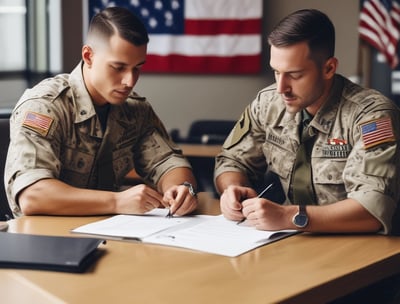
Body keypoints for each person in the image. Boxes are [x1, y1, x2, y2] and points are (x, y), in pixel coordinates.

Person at [215, 9, 400, 235]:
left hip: (364, 248)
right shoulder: (268, 103)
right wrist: (232, 189)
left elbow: (371, 209)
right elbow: (232, 160)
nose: (281, 88)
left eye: (295, 74)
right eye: (276, 72)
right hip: (293, 240)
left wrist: (287, 216)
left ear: (329, 68)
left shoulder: (372, 116)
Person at [5, 7, 198, 217]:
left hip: (110, 233)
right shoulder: (45, 106)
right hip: (47, 240)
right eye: (118, 67)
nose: (130, 81)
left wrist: (181, 189)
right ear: (88, 56)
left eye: (137, 67)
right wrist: (117, 201)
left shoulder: (135, 109)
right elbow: (32, 196)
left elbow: (168, 162)